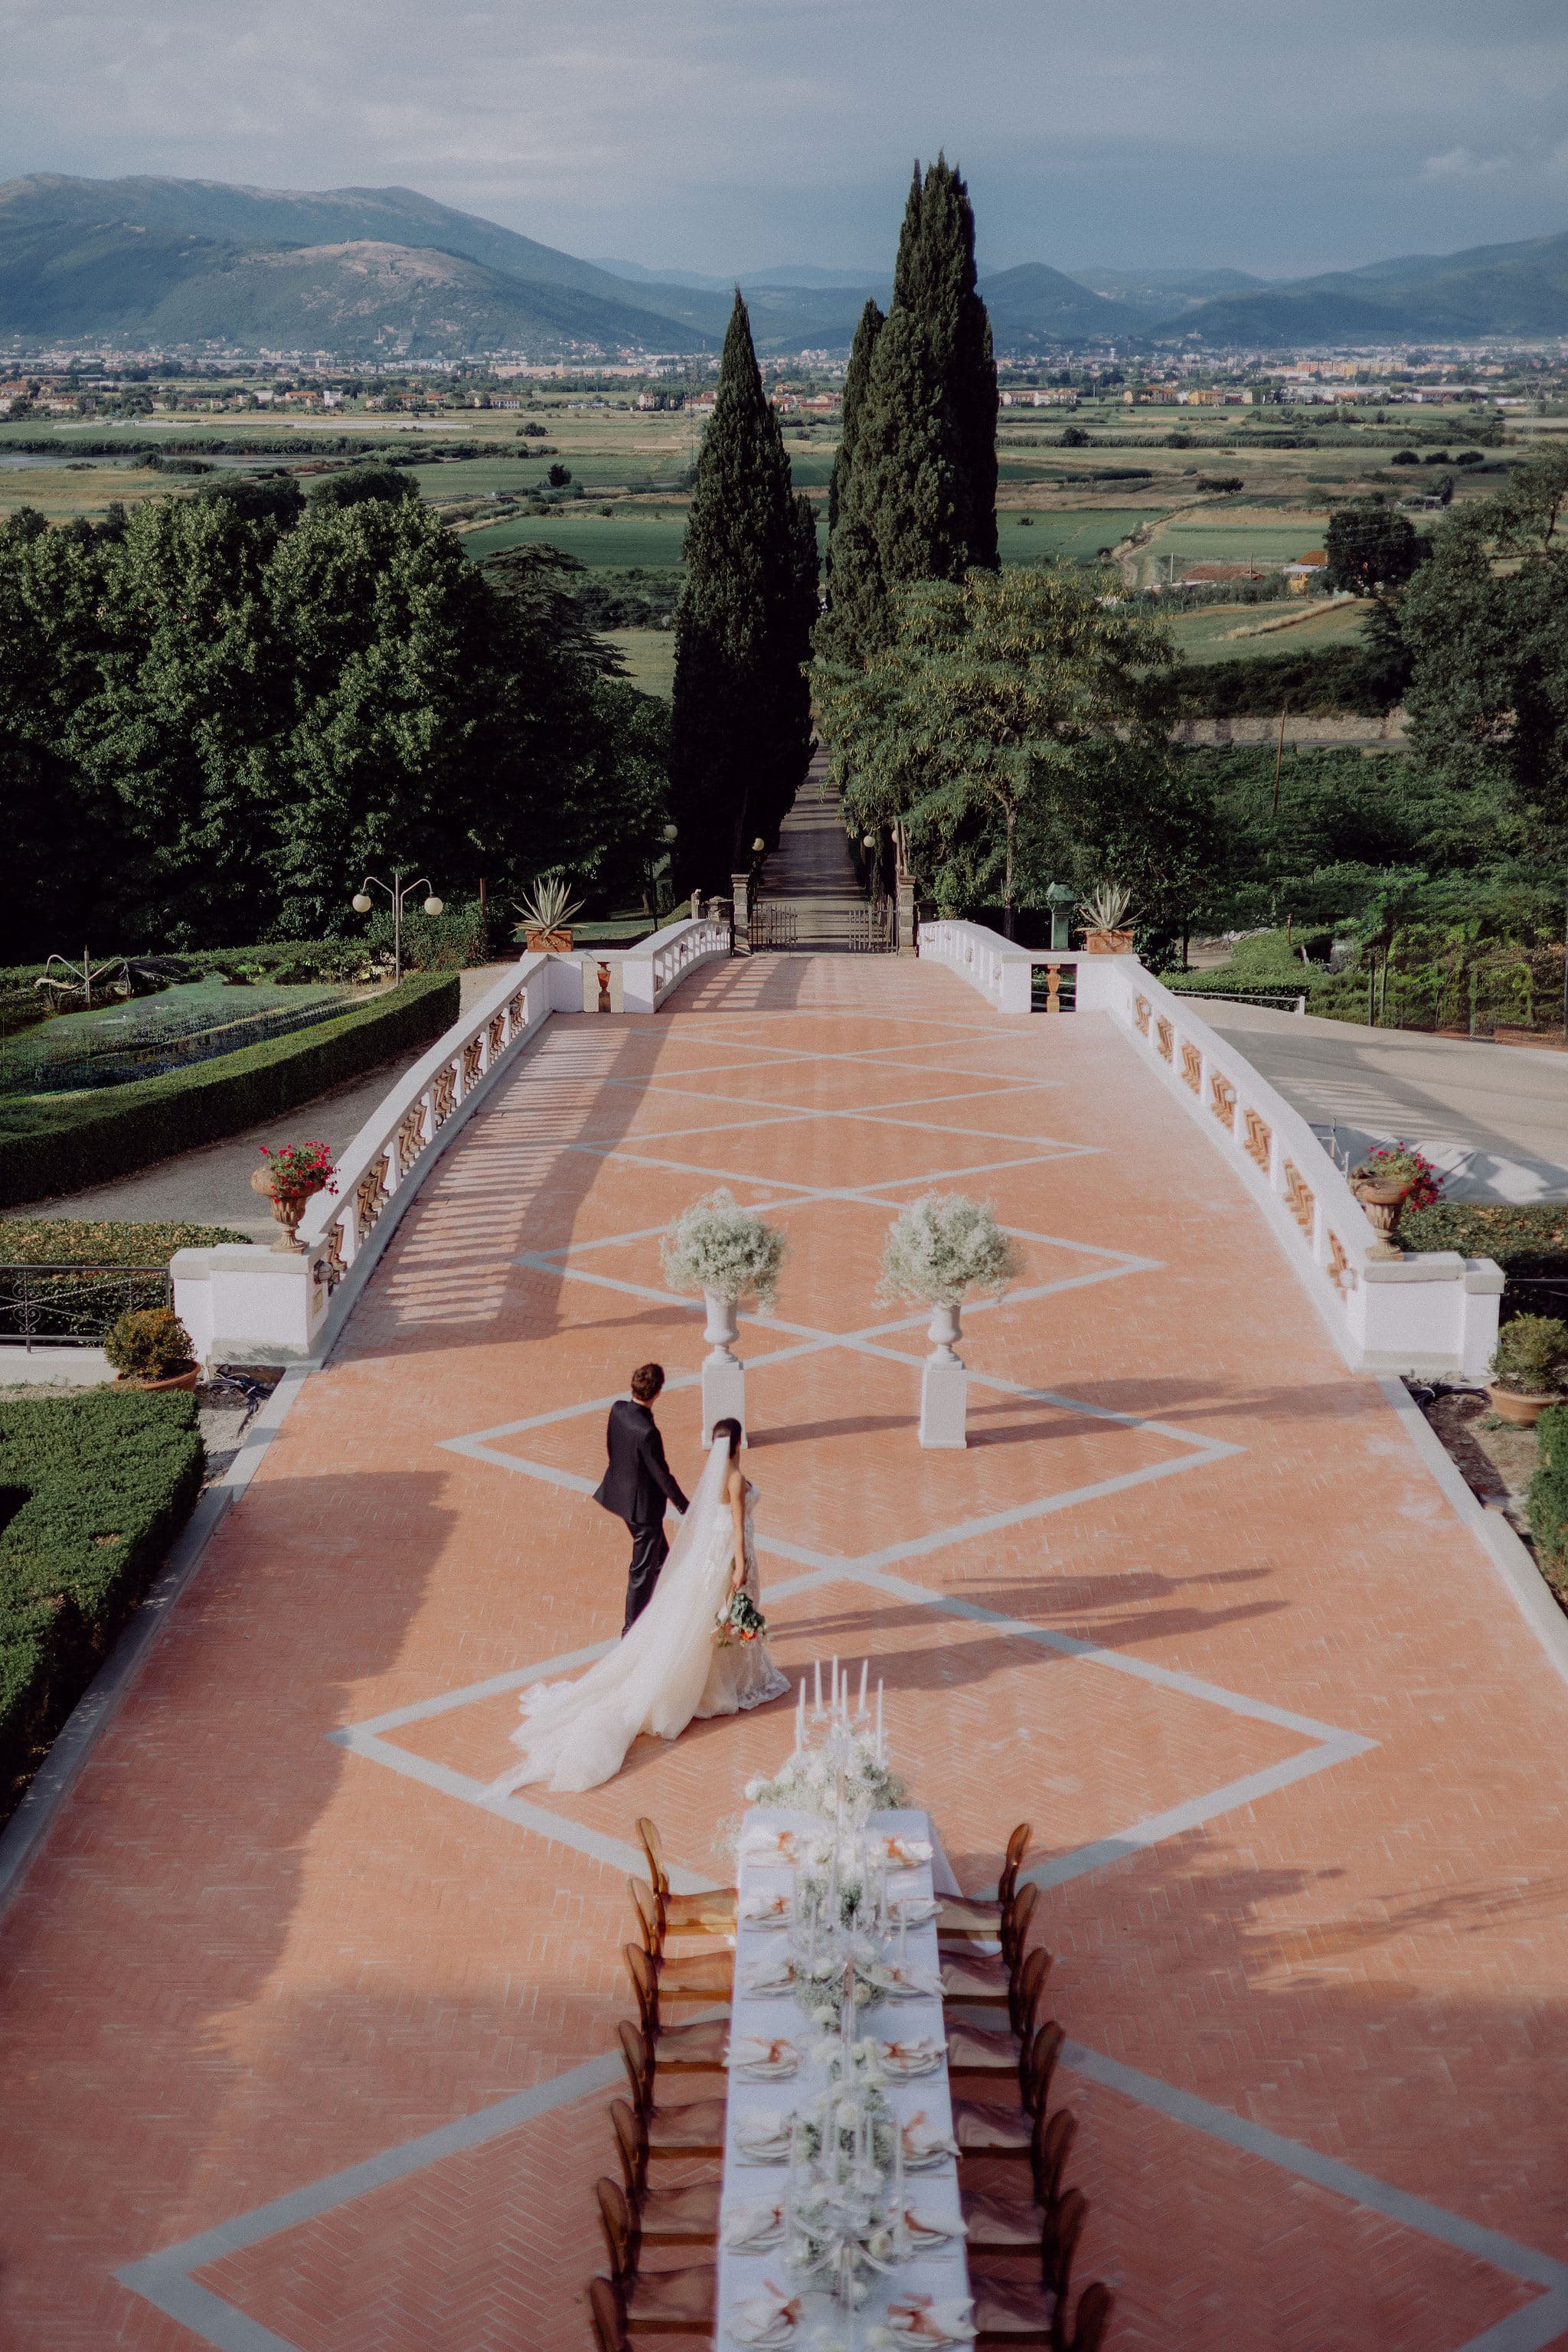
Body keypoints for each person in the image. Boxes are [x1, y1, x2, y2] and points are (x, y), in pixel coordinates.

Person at [488, 1419, 788, 1796]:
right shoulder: (734, 1478)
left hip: (714, 1556)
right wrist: (740, 1567)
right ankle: (727, 1684)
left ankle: (723, 1679)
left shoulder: (715, 1477)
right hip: (729, 1556)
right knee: (726, 1617)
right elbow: (738, 1525)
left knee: (710, 1622)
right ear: (738, 1443)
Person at [593, 1363, 690, 1634]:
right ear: (658, 1392)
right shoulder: (648, 1433)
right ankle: (631, 1631)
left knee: (663, 1561)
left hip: (621, 1498)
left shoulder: (618, 1409)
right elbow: (662, 1475)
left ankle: (666, 1610)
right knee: (641, 1571)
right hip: (644, 1510)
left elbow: (612, 1448)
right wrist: (685, 1506)